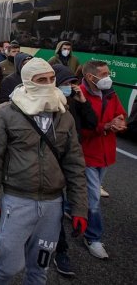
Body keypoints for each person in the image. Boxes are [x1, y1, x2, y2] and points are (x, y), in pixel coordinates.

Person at [0, 58, 88, 285]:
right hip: (18, 201)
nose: (48, 84)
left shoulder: (64, 114)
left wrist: (79, 207)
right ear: (28, 81)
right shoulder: (5, 113)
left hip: (52, 205)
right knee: (8, 266)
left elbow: (75, 164)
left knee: (39, 269)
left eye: (51, 79)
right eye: (41, 80)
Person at [51, 64, 98, 277]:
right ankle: (59, 248)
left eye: (73, 83)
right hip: (50, 163)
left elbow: (92, 123)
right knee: (55, 208)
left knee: (61, 205)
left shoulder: (76, 104)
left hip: (71, 159)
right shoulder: (47, 104)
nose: (71, 87)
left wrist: (83, 101)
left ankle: (60, 250)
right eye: (66, 83)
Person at [79, 60, 126, 259]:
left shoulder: (110, 93)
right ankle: (93, 237)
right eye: (105, 74)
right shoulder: (79, 95)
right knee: (94, 200)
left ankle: (67, 207)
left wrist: (120, 122)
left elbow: (120, 113)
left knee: (84, 191)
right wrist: (105, 127)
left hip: (105, 154)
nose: (109, 77)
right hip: (87, 154)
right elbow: (80, 130)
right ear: (91, 77)